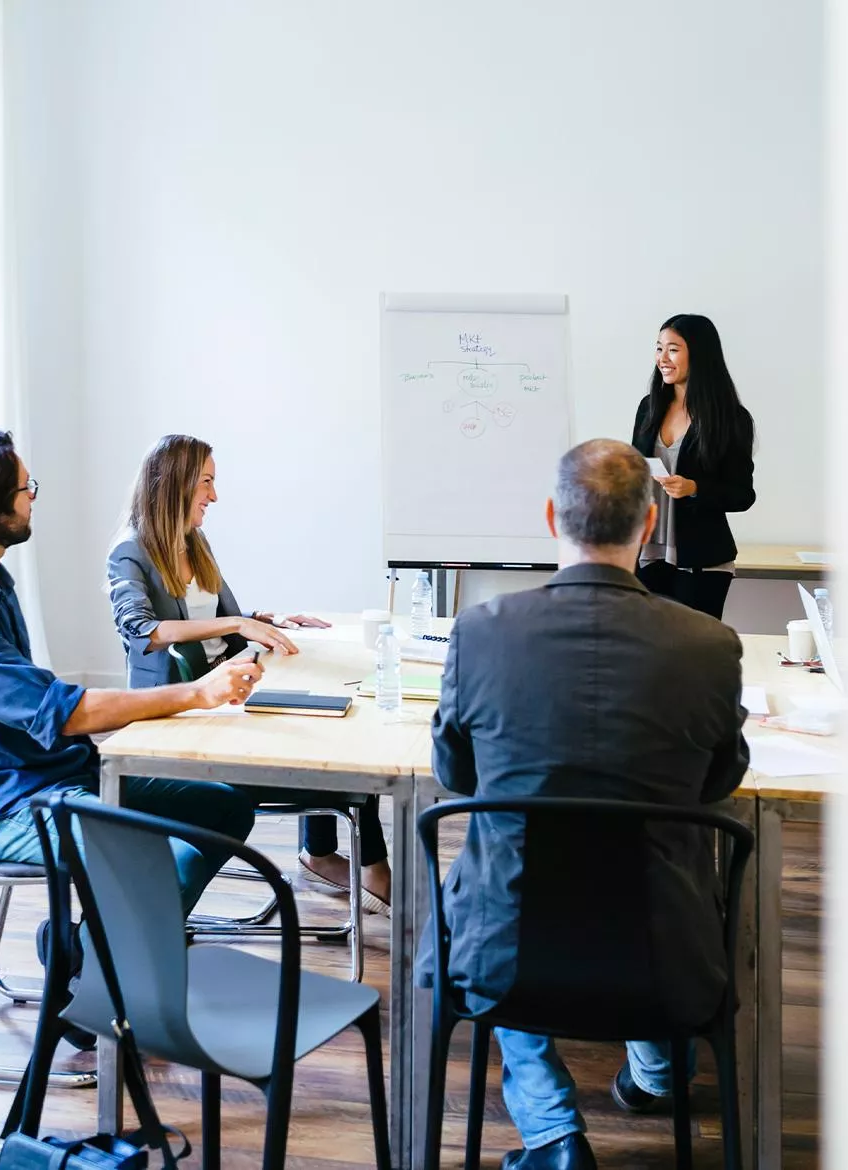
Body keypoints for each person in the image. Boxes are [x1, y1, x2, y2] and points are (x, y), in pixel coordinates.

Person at [416, 439, 749, 1170]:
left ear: (549, 517)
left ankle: (554, 1135)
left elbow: (454, 771)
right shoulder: (710, 644)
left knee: (495, 890)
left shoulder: (481, 632)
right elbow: (720, 781)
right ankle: (657, 1072)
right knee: (655, 873)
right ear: (649, 521)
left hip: (508, 957)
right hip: (665, 956)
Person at [0, 430, 263, 927]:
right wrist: (199, 693)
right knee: (172, 866)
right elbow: (66, 712)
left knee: (227, 809)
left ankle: (127, 940)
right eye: (26, 490)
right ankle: (95, 956)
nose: (33, 499)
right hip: (12, 805)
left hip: (59, 775)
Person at [106, 434, 392, 913]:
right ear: (174, 484)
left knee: (335, 725)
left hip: (231, 690)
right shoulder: (130, 552)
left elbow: (218, 626)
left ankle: (322, 855)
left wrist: (266, 622)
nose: (213, 496)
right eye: (206, 483)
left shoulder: (194, 541)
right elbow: (143, 630)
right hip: (183, 715)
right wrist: (239, 623)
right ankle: (353, 865)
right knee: (341, 759)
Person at [631, 313, 755, 620]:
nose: (663, 358)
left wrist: (695, 488)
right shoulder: (649, 407)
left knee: (692, 657)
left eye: (673, 349)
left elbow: (742, 495)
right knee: (649, 654)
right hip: (648, 555)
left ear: (698, 353)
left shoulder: (731, 419)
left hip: (700, 561)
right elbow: (635, 468)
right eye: (659, 348)